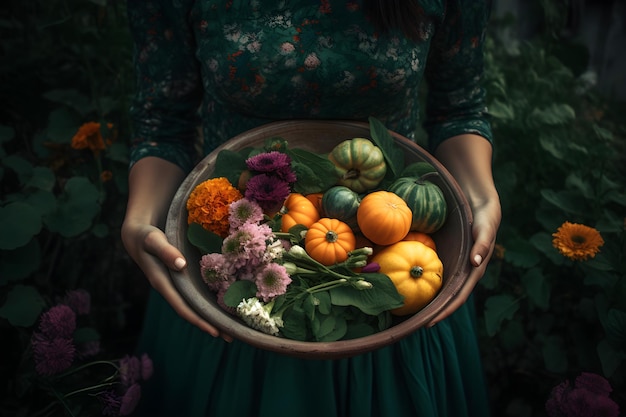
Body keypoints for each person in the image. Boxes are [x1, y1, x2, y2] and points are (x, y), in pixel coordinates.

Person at [121, 1, 502, 416]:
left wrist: (481, 199)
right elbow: (163, 122)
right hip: (228, 268)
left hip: (397, 264)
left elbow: (458, 107)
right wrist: (141, 220)